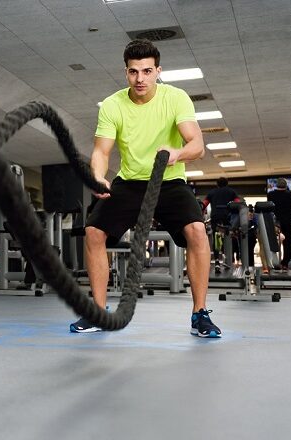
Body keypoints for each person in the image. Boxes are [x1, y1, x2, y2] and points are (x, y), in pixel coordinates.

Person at [69, 39, 220, 338]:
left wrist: (176, 153)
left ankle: (199, 314)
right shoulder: (112, 105)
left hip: (170, 180)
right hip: (130, 182)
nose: (140, 79)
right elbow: (101, 151)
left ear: (158, 71)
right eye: (133, 72)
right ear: (125, 72)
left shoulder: (176, 98)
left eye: (147, 71)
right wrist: (98, 177)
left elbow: (197, 145)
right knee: (93, 231)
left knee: (197, 231)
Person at [203, 177, 240, 268]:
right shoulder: (232, 192)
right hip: (227, 217)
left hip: (215, 216)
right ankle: (228, 260)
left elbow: (204, 204)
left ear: (217, 184)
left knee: (216, 238)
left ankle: (216, 261)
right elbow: (237, 204)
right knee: (228, 236)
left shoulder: (212, 192)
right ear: (227, 184)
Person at [267, 178, 291, 270]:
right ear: (286, 185)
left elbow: (269, 207)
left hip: (275, 221)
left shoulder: (270, 194)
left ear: (277, 185)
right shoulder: (290, 194)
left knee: (274, 241)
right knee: (288, 242)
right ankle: (285, 263)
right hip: (287, 221)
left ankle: (274, 262)